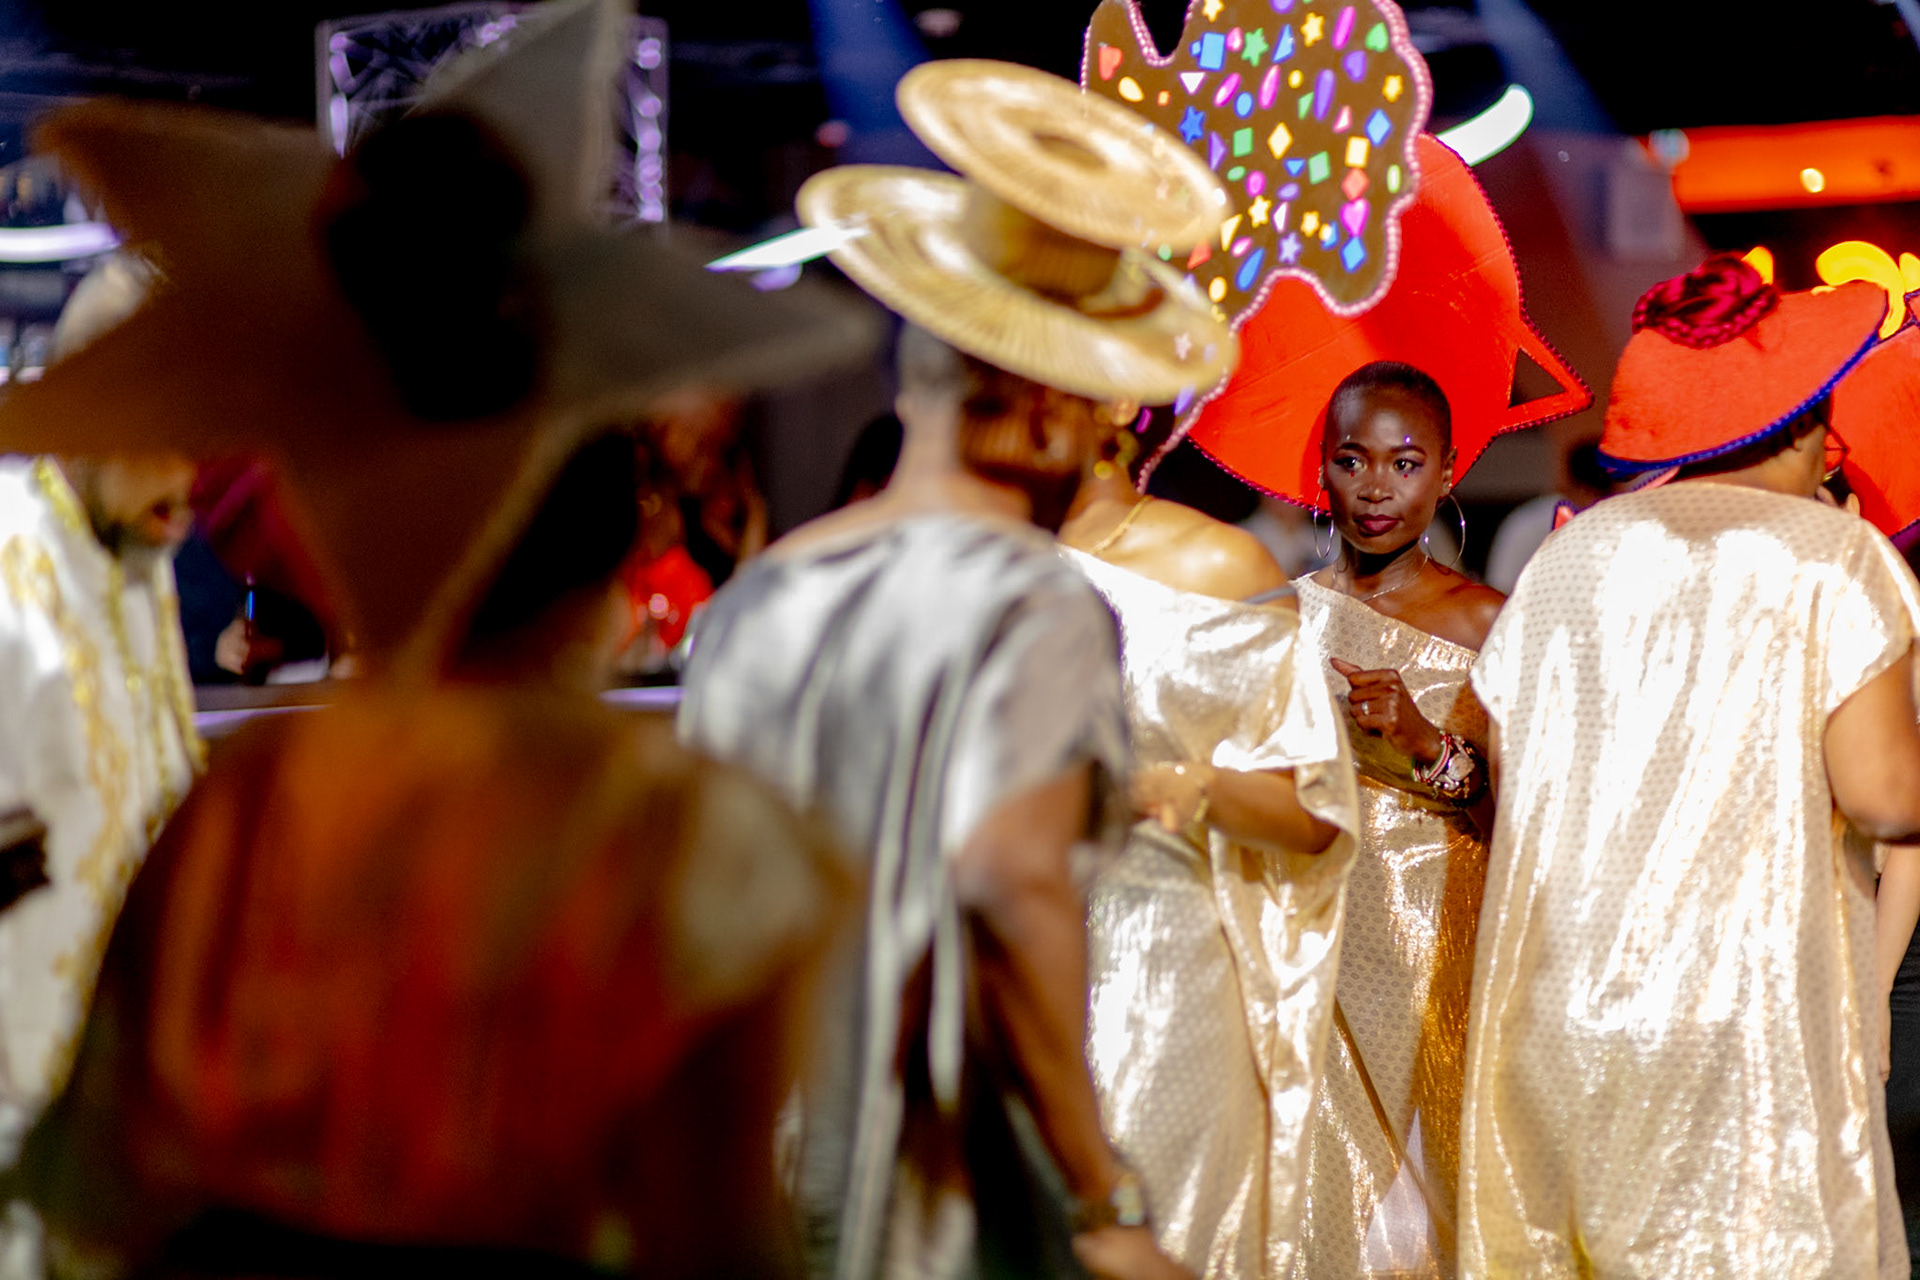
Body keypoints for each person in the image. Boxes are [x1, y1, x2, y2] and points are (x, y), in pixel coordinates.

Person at [679, 58, 1234, 1280]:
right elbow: (1006, 877)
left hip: (748, 1175)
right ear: (1039, 410)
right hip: (933, 1195)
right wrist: (1105, 1198)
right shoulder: (1030, 597)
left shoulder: (758, 597)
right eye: (1101, 408)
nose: (1102, 438)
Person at [1460, 255, 1920, 1278]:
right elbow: (1889, 797)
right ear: (1795, 423)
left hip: (1565, 1011)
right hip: (1745, 1018)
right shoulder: (1832, 559)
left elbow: (1505, 759)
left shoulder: (1569, 557)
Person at [1057, 423, 1359, 1278]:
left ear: (1120, 396)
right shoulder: (953, 564)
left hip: (1156, 977)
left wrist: (1194, 787)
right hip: (981, 962)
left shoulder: (1221, 569)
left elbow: (1314, 810)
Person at [1283, 361, 1501, 1279]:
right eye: (1353, 459)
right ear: (1322, 472)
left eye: (1406, 463)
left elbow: (1513, 805)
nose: (1377, 487)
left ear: (1448, 473)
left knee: (1426, 1193)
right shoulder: (1284, 616)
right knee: (1314, 1175)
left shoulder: (1488, 620)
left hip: (1435, 940)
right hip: (1311, 924)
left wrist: (1422, 743)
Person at [0, 251, 202, 1179]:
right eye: (158, 437)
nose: (186, 481)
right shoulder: (9, 588)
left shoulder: (134, 552)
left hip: (145, 1114)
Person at [1480, 439, 1610, 594]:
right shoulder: (1529, 524)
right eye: (1590, 494)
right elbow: (1499, 588)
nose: (1594, 502)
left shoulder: (1617, 521)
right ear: (1575, 487)